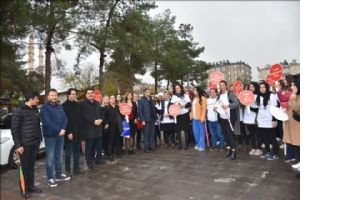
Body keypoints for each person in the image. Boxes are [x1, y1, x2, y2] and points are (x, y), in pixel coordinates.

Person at [11, 91, 42, 198]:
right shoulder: (19, 111)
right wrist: (18, 145)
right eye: (37, 99)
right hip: (25, 145)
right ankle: (24, 190)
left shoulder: (35, 110)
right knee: (24, 168)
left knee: (31, 166)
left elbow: (37, 126)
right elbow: (14, 130)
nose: (38, 100)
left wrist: (39, 138)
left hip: (35, 143)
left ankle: (31, 186)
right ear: (31, 99)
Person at [40, 89, 70, 188]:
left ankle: (58, 174)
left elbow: (65, 118)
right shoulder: (44, 108)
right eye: (52, 95)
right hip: (50, 137)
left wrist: (63, 129)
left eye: (55, 95)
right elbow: (47, 122)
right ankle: (50, 178)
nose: (54, 97)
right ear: (48, 97)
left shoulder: (59, 107)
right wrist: (59, 130)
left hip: (60, 135)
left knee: (59, 156)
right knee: (50, 158)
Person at [80, 88, 105, 170]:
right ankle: (89, 162)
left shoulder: (97, 103)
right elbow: (84, 115)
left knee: (98, 146)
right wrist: (93, 121)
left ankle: (98, 159)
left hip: (98, 128)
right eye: (88, 93)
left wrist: (101, 119)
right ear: (86, 95)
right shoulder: (83, 104)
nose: (90, 94)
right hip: (89, 129)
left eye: (91, 93)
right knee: (89, 147)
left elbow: (102, 113)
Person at [62, 88, 84, 176]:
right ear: (68, 95)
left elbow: (80, 119)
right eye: (73, 94)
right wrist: (68, 132)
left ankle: (76, 169)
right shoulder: (64, 106)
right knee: (68, 153)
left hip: (78, 132)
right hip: (69, 133)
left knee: (77, 152)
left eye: (75, 94)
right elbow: (64, 120)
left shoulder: (78, 105)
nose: (75, 95)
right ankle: (67, 170)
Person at [256, 81, 280, 160]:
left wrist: (274, 119)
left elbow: (275, 109)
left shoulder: (271, 95)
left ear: (266, 87)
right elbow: (257, 109)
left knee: (272, 137)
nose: (262, 89)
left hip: (270, 119)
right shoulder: (258, 96)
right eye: (260, 87)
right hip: (261, 119)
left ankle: (276, 153)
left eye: (264, 87)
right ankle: (268, 152)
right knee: (264, 137)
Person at [217, 80, 240, 160]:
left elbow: (237, 104)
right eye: (220, 85)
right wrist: (216, 108)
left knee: (230, 134)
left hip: (230, 118)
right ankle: (228, 149)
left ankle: (234, 152)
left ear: (226, 86)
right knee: (225, 134)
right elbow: (219, 104)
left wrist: (228, 105)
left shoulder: (230, 94)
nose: (221, 86)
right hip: (222, 117)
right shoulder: (219, 95)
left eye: (223, 85)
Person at [283, 74, 300, 170]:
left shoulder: (297, 96)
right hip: (292, 121)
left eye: (294, 85)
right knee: (296, 144)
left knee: (299, 143)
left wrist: (292, 98)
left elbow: (296, 108)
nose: (292, 87)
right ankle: (299, 161)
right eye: (292, 85)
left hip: (298, 123)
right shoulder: (295, 95)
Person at [169, 83, 192, 150]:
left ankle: (186, 145)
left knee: (186, 130)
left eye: (178, 88)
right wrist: (174, 108)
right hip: (177, 115)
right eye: (176, 88)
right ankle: (180, 145)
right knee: (178, 130)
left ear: (181, 88)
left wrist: (183, 106)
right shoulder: (173, 97)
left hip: (185, 114)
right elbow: (170, 106)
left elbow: (190, 105)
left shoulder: (185, 96)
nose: (177, 89)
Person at [243, 82, 263, 156]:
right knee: (251, 134)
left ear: (256, 87)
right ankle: (254, 147)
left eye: (253, 87)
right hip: (248, 118)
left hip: (256, 118)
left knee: (257, 134)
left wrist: (250, 107)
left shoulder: (258, 96)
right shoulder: (246, 96)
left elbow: (259, 109)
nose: (251, 88)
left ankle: (259, 148)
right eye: (250, 87)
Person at [138, 88, 157, 153]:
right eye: (148, 92)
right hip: (146, 120)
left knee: (152, 133)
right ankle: (146, 148)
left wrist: (156, 118)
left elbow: (154, 109)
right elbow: (140, 111)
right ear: (144, 93)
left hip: (152, 119)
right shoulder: (141, 100)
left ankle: (150, 146)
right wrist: (142, 120)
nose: (149, 93)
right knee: (146, 134)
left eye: (149, 92)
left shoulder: (151, 100)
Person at [105, 95, 123, 161]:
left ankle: (118, 153)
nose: (113, 99)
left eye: (114, 98)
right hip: (110, 127)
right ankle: (109, 155)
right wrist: (106, 123)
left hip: (117, 126)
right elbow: (105, 117)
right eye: (111, 98)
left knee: (117, 140)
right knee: (110, 141)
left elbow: (121, 115)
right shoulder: (107, 108)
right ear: (109, 100)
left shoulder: (117, 107)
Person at [191, 86, 207, 151]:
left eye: (195, 90)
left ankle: (202, 146)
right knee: (195, 132)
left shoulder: (203, 98)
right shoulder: (194, 98)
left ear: (198, 91)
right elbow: (192, 108)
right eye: (193, 90)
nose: (193, 91)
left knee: (201, 133)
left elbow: (204, 109)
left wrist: (202, 118)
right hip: (194, 119)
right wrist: (191, 116)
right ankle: (198, 144)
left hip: (200, 118)